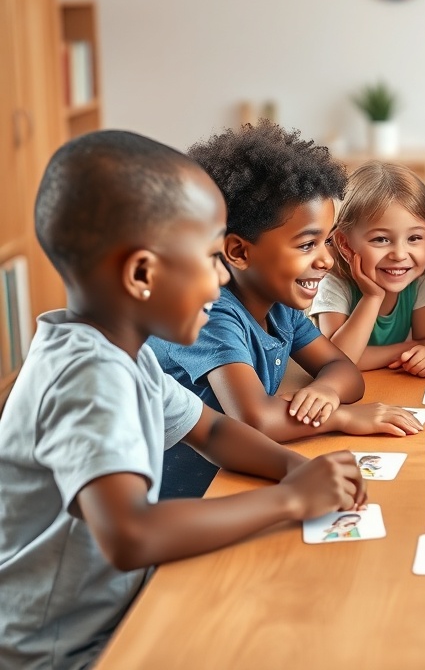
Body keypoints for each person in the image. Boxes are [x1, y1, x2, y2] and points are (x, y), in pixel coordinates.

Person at [0, 131, 367, 669]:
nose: (222, 278)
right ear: (143, 273)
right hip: (63, 650)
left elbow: (214, 431)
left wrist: (296, 470)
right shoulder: (88, 375)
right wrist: (291, 500)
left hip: (115, 608)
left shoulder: (126, 354)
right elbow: (129, 534)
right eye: (211, 257)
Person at [149, 121, 421, 498]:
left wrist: (326, 391)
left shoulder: (279, 305)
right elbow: (255, 419)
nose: (326, 259)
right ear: (239, 252)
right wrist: (340, 416)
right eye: (307, 245)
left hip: (238, 481)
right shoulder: (208, 312)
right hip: (180, 503)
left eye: (326, 241)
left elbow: (344, 371)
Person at [311, 161, 425, 377]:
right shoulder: (333, 283)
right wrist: (372, 297)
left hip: (390, 389)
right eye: (381, 239)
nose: (400, 255)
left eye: (414, 238)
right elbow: (336, 361)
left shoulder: (419, 280)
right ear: (345, 244)